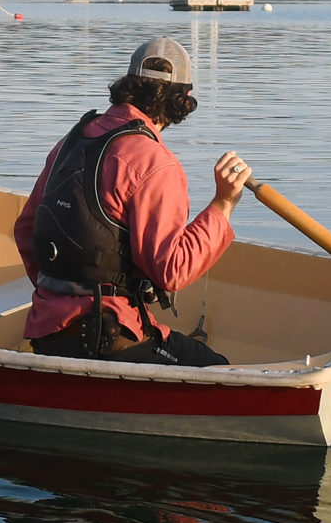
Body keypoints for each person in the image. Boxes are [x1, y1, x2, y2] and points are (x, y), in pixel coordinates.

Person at [13, 36, 251, 367]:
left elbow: (26, 231)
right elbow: (173, 269)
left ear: (127, 85)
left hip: (46, 330)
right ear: (183, 100)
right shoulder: (155, 162)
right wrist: (223, 203)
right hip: (108, 338)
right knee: (217, 369)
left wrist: (58, 300)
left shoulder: (71, 141)